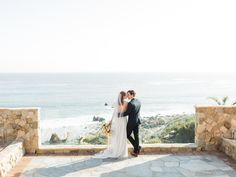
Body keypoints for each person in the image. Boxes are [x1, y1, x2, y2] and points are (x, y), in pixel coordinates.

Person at [93, 91, 128, 159]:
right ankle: (122, 151)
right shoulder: (126, 103)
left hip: (117, 121)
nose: (126, 96)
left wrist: (111, 121)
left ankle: (116, 149)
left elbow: (114, 113)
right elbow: (126, 112)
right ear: (123, 96)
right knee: (122, 135)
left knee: (117, 136)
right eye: (126, 95)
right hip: (123, 120)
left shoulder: (116, 103)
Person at [122, 90, 141, 157]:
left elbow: (126, 113)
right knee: (136, 136)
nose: (127, 96)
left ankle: (137, 147)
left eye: (128, 95)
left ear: (132, 95)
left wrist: (118, 114)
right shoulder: (138, 101)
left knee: (127, 135)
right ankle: (136, 151)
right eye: (127, 95)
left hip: (131, 122)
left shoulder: (130, 103)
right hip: (137, 121)